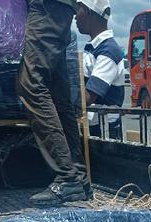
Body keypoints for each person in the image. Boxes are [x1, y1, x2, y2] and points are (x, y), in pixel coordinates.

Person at [18, 0, 90, 204]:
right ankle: (77, 176)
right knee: (58, 94)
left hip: (48, 7)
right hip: (56, 7)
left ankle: (68, 177)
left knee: (31, 83)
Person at [76, 0, 125, 141]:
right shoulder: (94, 48)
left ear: (88, 11)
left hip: (103, 132)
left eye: (78, 9)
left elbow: (88, 97)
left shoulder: (108, 51)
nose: (75, 16)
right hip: (93, 127)